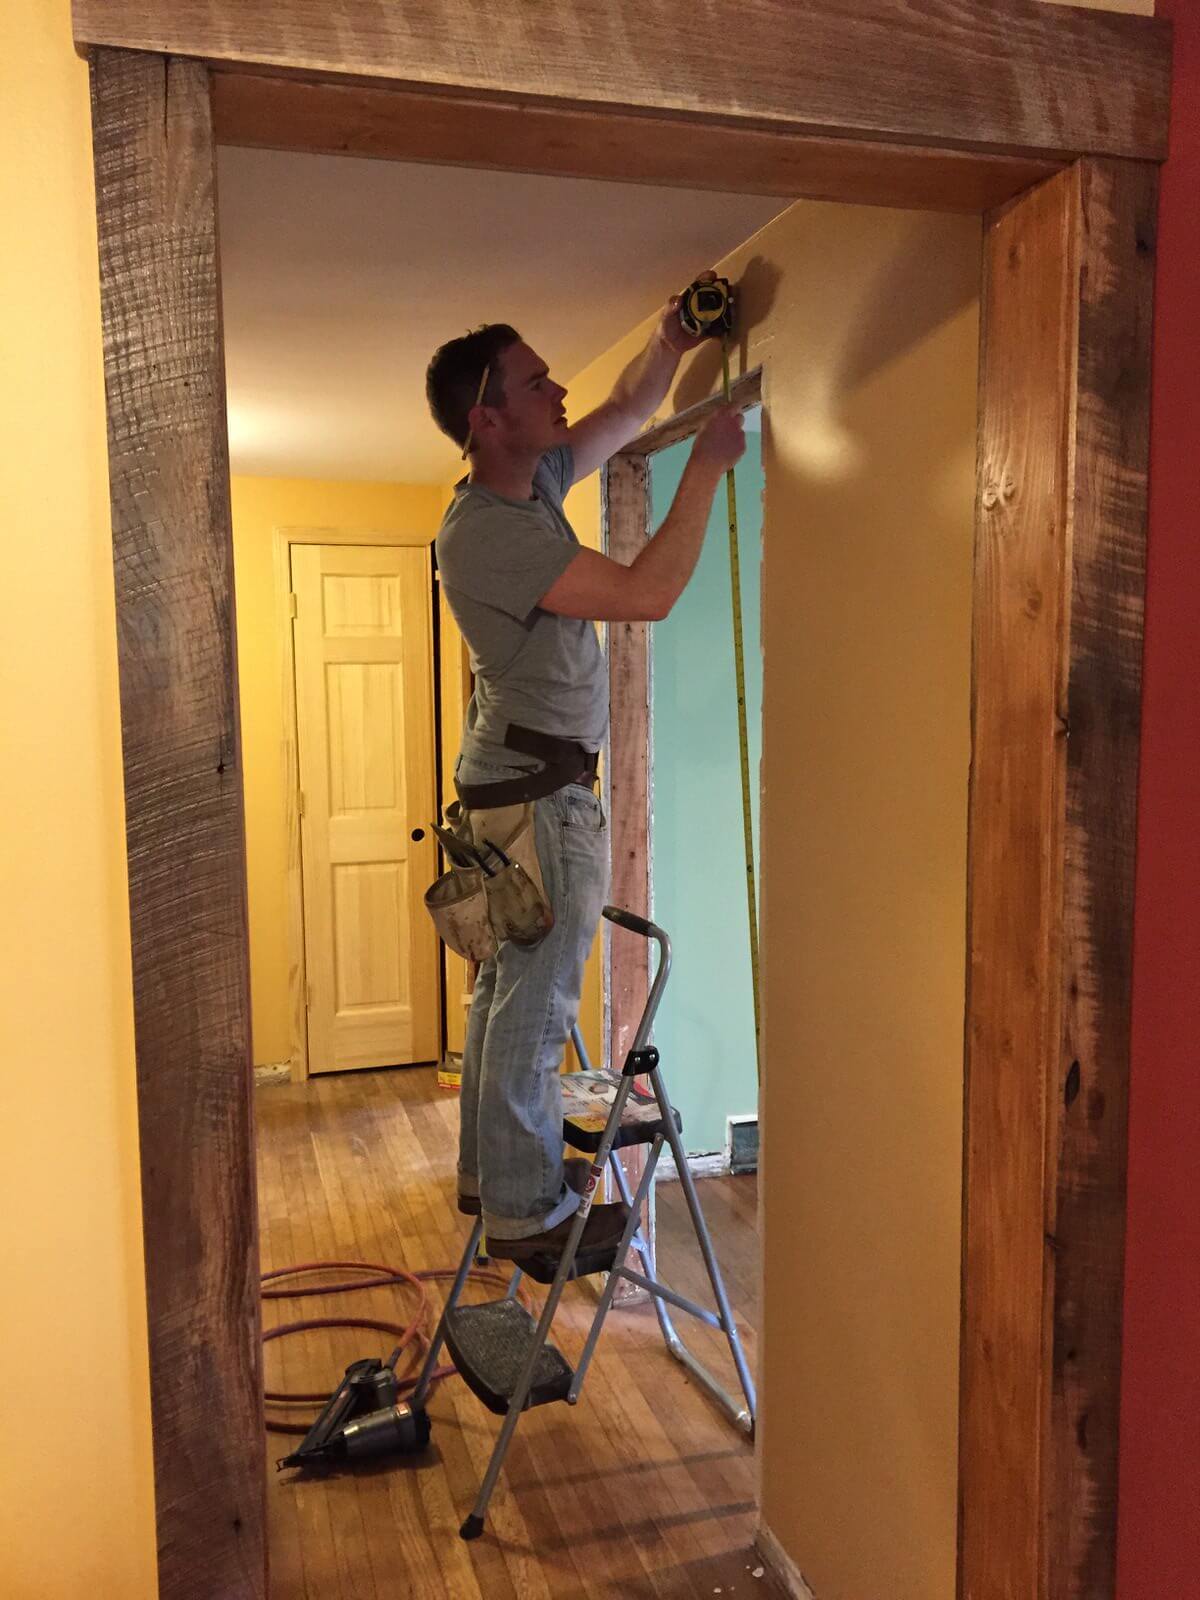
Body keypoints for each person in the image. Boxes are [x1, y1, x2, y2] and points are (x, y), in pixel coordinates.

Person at [425, 277, 746, 1263]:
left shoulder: (529, 489)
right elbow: (647, 593)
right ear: (487, 418)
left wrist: (672, 339)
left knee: (505, 993)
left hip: (518, 780)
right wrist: (707, 467)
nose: (556, 387)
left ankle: (496, 1180)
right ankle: (531, 1216)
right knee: (540, 998)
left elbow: (627, 410)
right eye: (534, 380)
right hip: (539, 794)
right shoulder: (485, 531)